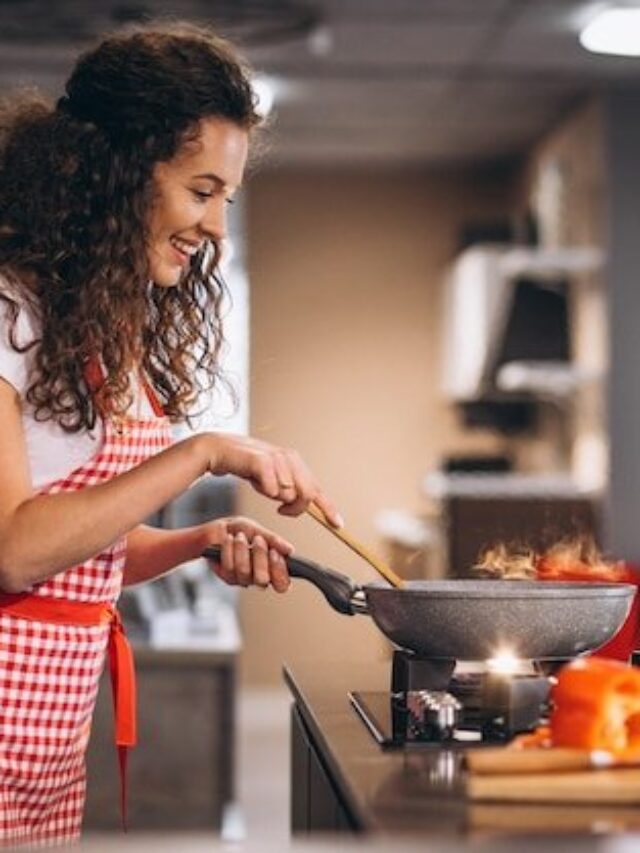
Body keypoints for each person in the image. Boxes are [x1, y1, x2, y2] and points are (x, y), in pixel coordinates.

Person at [0, 21, 341, 846]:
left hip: (46, 736)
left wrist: (193, 543)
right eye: (200, 190)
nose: (217, 227)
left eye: (226, 197)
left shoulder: (77, 321)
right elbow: (14, 550)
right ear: (114, 175)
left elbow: (77, 555)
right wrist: (205, 451)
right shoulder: (5, 312)